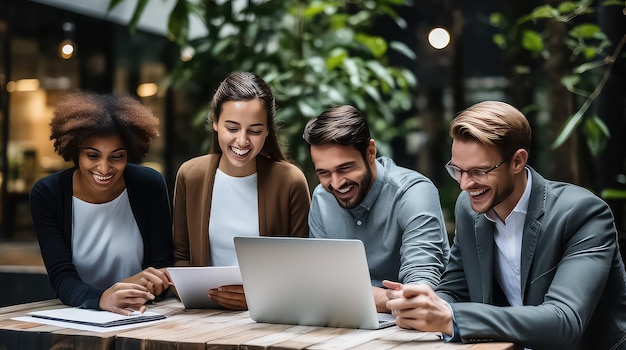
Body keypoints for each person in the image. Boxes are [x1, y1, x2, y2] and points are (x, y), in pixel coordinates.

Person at [385, 101, 626, 349]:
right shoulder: (468, 209)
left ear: (518, 161)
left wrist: (451, 316)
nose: (465, 184)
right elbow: (455, 292)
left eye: (479, 171)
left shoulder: (583, 214)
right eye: (458, 170)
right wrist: (419, 305)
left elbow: (564, 321)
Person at [172, 71, 311, 310]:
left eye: (255, 130)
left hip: (269, 316)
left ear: (268, 131)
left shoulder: (290, 181)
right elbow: (181, 257)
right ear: (215, 122)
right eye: (232, 128)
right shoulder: (190, 175)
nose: (242, 141)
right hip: (203, 314)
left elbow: (304, 265)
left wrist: (260, 296)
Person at [30, 91, 173, 316]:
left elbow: (162, 267)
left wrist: (141, 288)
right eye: (93, 155)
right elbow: (62, 278)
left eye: (117, 156)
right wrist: (104, 298)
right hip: (76, 318)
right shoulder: (48, 194)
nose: (104, 168)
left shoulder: (149, 185)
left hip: (141, 314)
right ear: (75, 150)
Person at [302, 105, 450, 313]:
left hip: (414, 328)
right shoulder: (321, 197)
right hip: (347, 323)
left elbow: (421, 291)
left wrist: (347, 296)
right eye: (324, 173)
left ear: (370, 151)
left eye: (345, 168)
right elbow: (320, 285)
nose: (335, 183)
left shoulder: (414, 192)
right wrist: (384, 298)